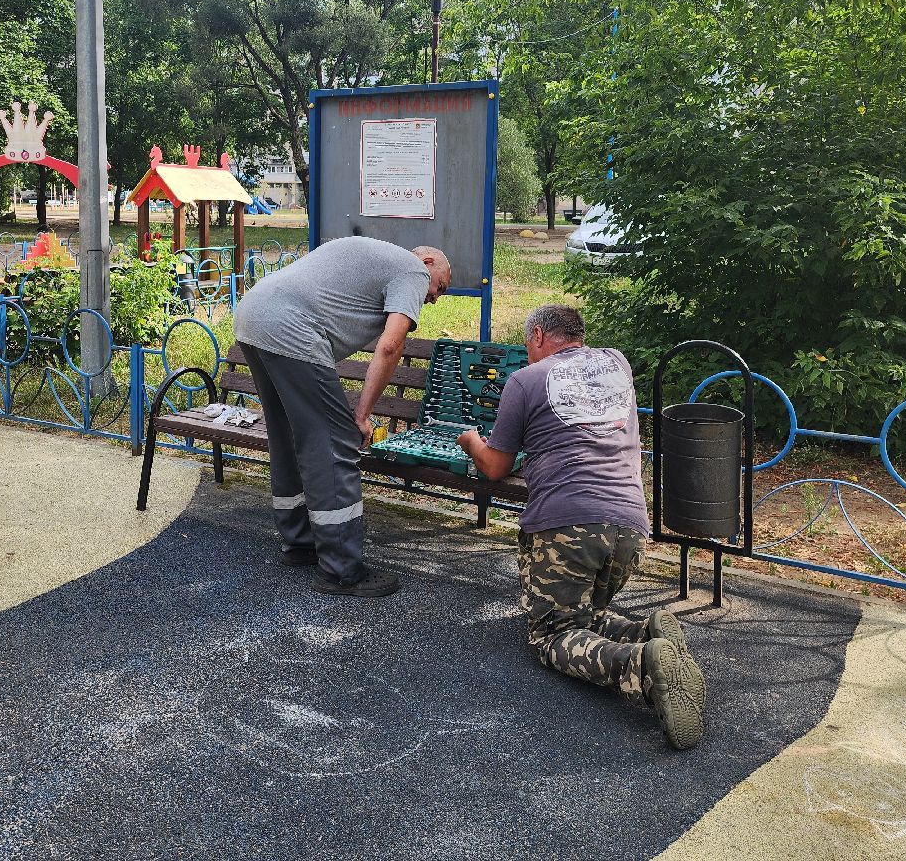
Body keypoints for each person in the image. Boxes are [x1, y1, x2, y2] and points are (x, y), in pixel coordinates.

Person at [457, 305, 707, 750]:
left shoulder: (525, 381)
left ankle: (642, 667)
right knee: (582, 614)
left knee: (552, 633)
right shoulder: (616, 363)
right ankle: (648, 632)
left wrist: (470, 440)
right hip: (631, 527)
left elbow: (495, 466)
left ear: (536, 335)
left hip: (567, 525)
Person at [234, 237, 451, 598]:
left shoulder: (374, 255)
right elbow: (391, 345)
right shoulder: (411, 269)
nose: (434, 299)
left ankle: (300, 542)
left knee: (288, 437)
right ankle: (341, 569)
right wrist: (362, 415)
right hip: (292, 330)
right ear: (428, 262)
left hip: (254, 315)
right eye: (440, 287)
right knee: (336, 444)